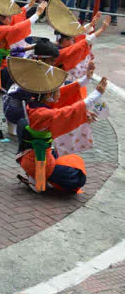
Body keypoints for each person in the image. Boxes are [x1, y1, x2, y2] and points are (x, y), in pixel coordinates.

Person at [13, 58, 108, 194]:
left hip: (33, 157)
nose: (60, 93)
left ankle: (35, 177)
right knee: (78, 176)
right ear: (48, 95)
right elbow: (66, 112)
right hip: (40, 162)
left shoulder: (34, 103)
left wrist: (85, 80)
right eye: (56, 91)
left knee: (74, 160)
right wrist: (95, 94)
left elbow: (64, 98)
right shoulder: (42, 113)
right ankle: (37, 177)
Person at [0, 0, 46, 91]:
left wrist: (30, 5)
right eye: (9, 17)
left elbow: (17, 14)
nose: (11, 18)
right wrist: (37, 14)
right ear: (1, 17)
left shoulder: (0, 23)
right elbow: (17, 28)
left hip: (6, 60)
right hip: (0, 67)